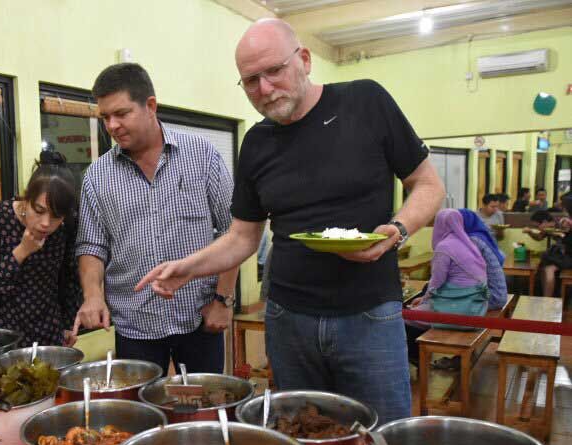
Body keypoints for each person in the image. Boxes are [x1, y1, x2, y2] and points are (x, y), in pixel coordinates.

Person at [136, 19, 445, 424]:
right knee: (302, 436)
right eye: (250, 81)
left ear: (303, 59)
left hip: (368, 313)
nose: (264, 89)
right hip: (288, 318)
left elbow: (428, 185)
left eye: (274, 71)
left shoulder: (365, 102)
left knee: (382, 438)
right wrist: (187, 269)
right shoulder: (257, 143)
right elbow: (243, 236)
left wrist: (398, 230)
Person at [72, 63, 236, 374]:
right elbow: (91, 245)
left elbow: (233, 233)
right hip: (135, 327)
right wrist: (93, 296)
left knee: (204, 412)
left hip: (199, 317)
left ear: (150, 106)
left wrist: (223, 300)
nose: (112, 125)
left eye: (121, 113)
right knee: (140, 418)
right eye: (105, 117)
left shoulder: (201, 156)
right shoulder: (96, 177)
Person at [0, 151, 81, 348]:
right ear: (27, 198)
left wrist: (68, 324)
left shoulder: (66, 226)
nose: (45, 224)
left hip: (47, 332)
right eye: (39, 211)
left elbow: (69, 279)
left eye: (56, 216)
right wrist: (21, 252)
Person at [406, 209, 497, 370]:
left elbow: (436, 282)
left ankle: (417, 357)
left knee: (405, 317)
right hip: (476, 307)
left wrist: (425, 299)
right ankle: (420, 355)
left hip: (456, 310)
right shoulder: (468, 243)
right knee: (417, 308)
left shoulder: (444, 247)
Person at [458, 209, 507, 310]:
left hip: (491, 297)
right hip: (497, 293)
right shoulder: (481, 235)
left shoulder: (472, 240)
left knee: (445, 302)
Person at [537, 193, 572, 296]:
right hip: (567, 253)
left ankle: (547, 301)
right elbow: (563, 232)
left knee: (548, 268)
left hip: (569, 255)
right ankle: (546, 298)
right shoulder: (567, 219)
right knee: (545, 262)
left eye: (564, 206)